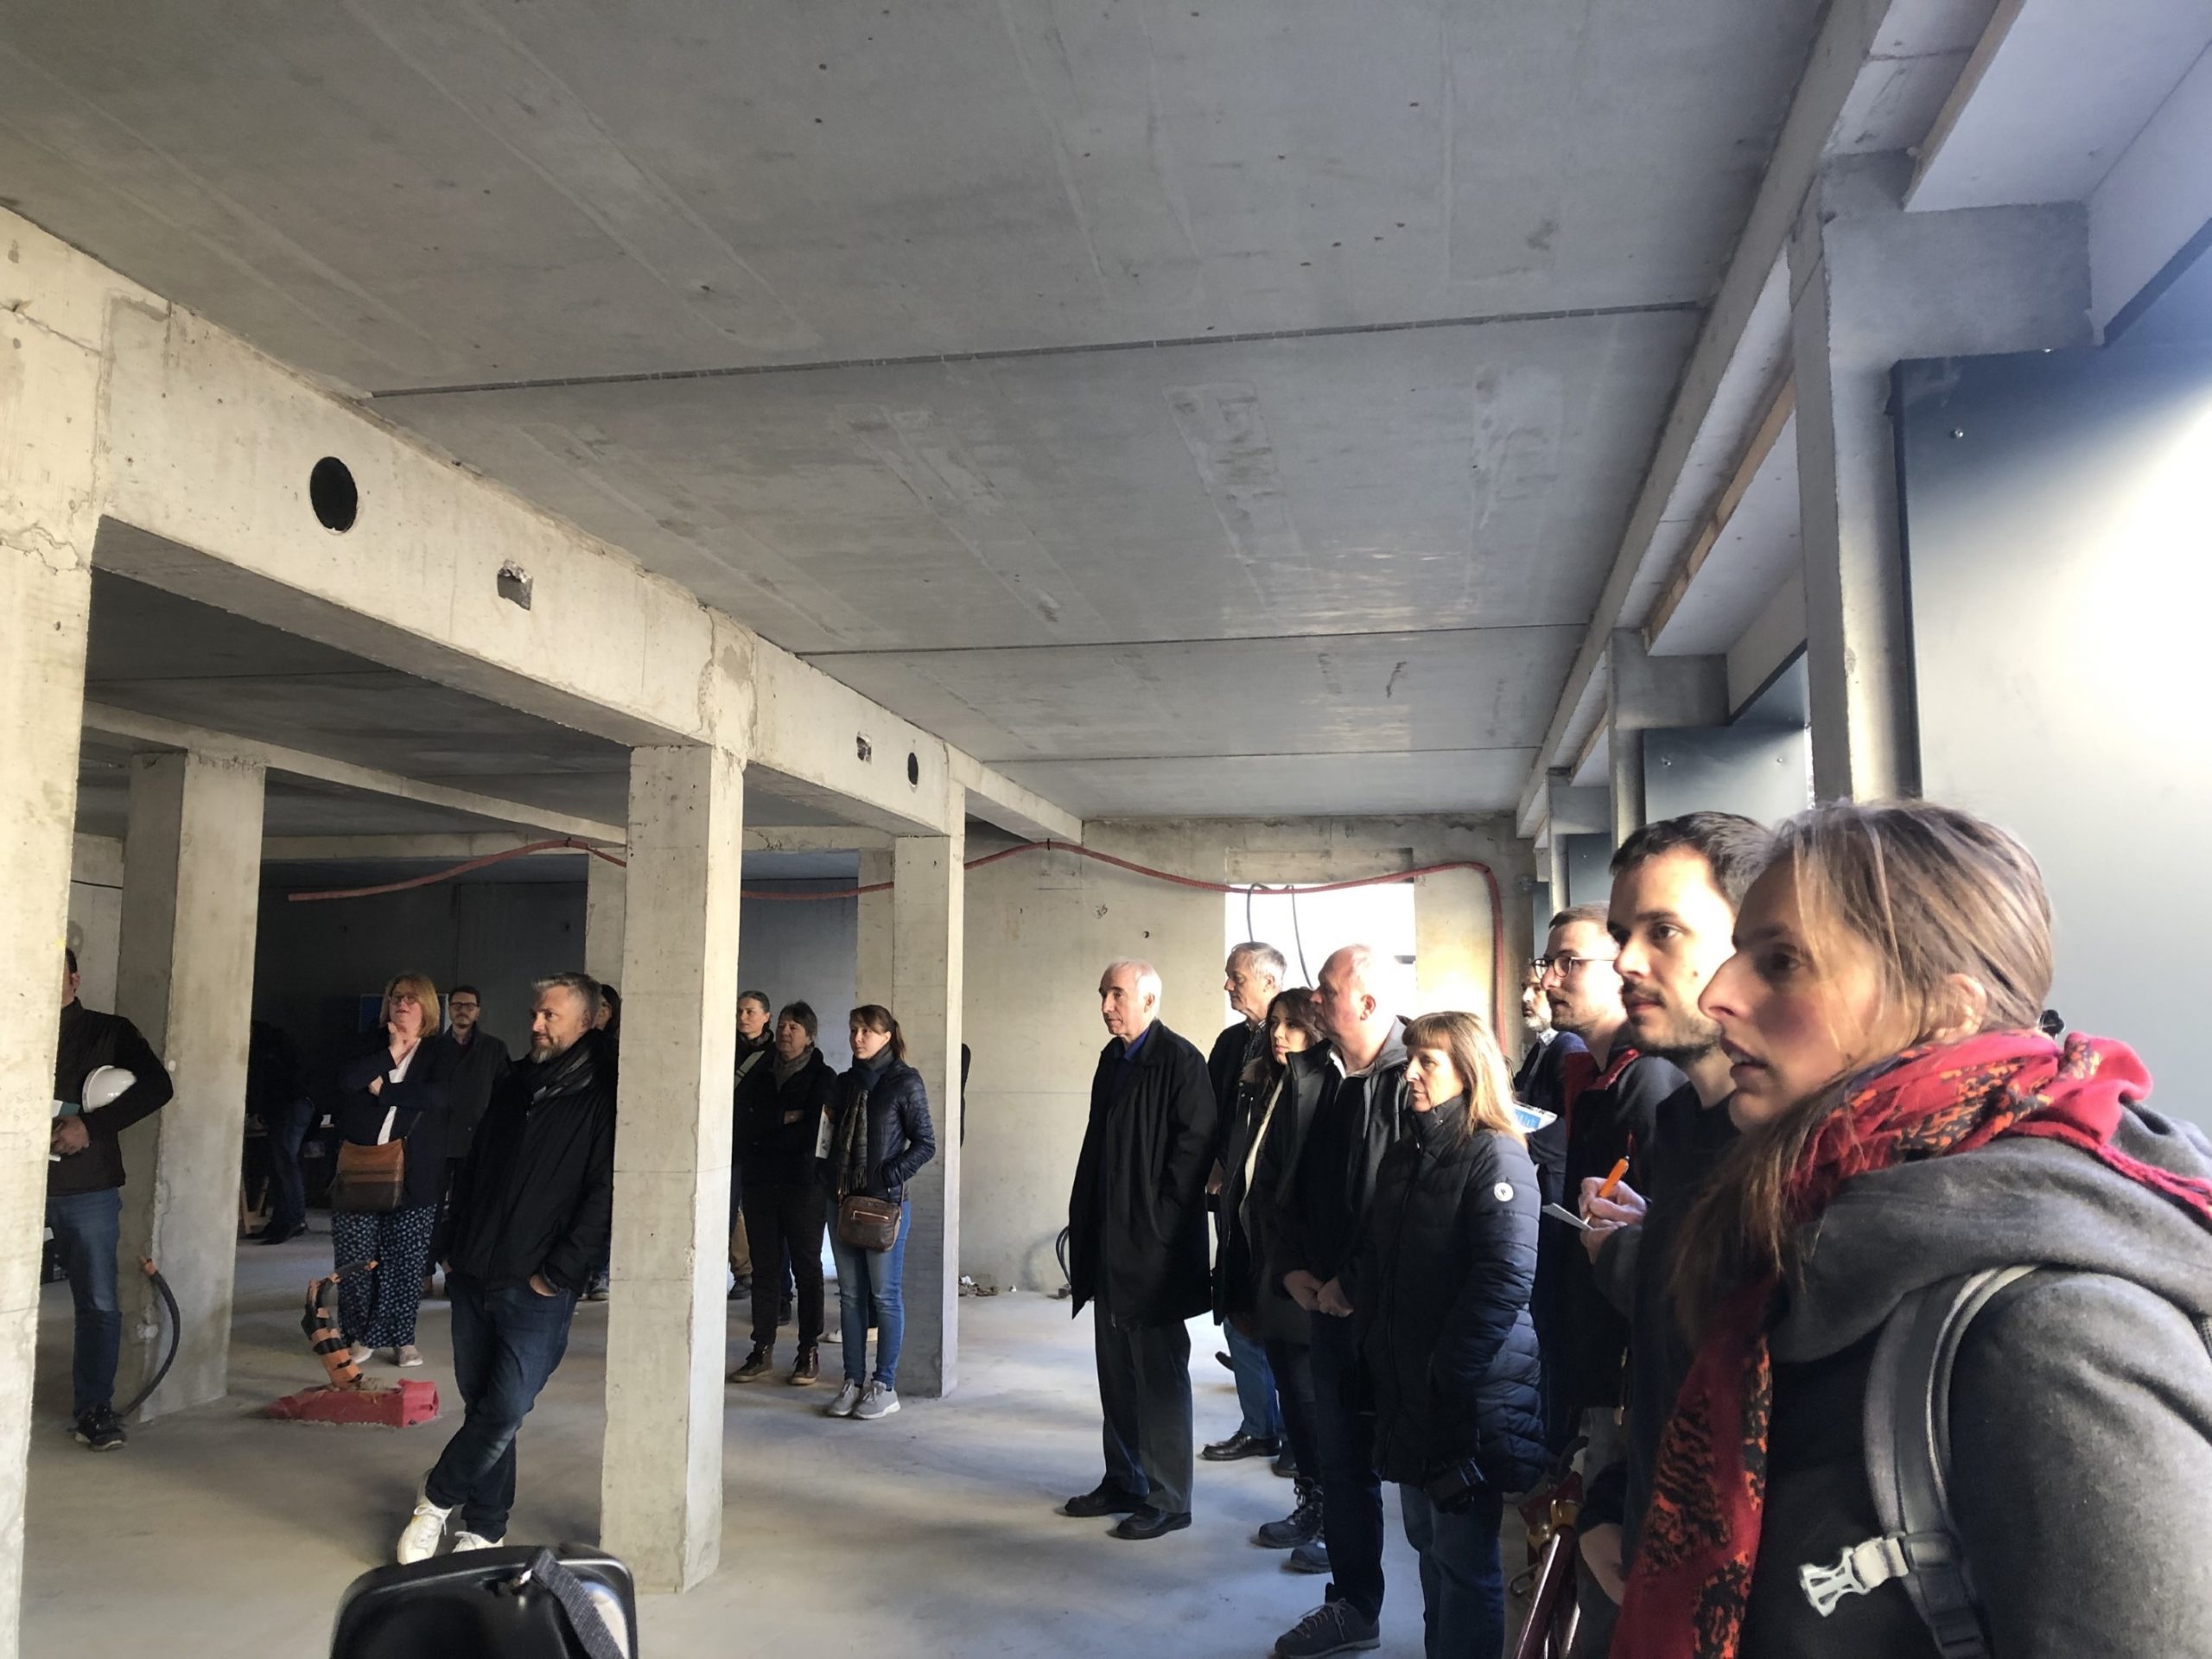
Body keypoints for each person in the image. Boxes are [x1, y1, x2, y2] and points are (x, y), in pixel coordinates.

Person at [1615, 800, 2212, 1658]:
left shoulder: (2058, 1333)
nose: (1720, 994)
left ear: (1946, 1008)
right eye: (1739, 952)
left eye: (1781, 962)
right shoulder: (1795, 1231)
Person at [1567, 812, 1770, 1650]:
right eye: (1623, 935)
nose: (1624, 960)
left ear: (1758, 942)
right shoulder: (1682, 1125)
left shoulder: (1798, 1157)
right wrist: (1612, 1504)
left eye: (1664, 930)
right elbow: (1670, 1368)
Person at [1339, 1010, 1543, 1659]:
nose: (1411, 1074)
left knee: (1464, 1560)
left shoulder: (1495, 1154)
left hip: (1462, 1398)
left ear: (1468, 1071)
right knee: (1428, 1547)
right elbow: (1383, 1262)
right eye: (1411, 1060)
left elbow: (1506, 1277)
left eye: (1428, 1062)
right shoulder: (1408, 1153)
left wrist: (1445, 1372)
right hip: (1410, 1388)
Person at [397, 972, 617, 1562]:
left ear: (585, 1022)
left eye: (550, 1016)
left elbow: (603, 1195)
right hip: (474, 1270)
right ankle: (487, 1526)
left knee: (506, 1408)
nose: (536, 1025)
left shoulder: (603, 1097)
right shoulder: (514, 1083)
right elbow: (474, 1167)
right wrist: (452, 1240)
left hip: (537, 1282)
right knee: (484, 1407)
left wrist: (560, 1272)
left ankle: (437, 1497)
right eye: (535, 1014)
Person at [1270, 944, 1410, 1657]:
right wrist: (1292, 1266)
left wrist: (1352, 1283)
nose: (1315, 999)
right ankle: (1354, 1606)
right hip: (1327, 1308)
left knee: (1422, 1485)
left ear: (1368, 1002)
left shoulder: (1419, 1075)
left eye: (1327, 990)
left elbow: (1406, 1205)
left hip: (1394, 1315)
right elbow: (1296, 1184)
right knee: (1344, 1464)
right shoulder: (1322, 1073)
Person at [1061, 960, 1217, 1541]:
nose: (1106, 1005)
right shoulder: (1113, 1059)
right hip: (1109, 1243)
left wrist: (1156, 1232)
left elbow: (1194, 1157)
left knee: (1159, 1374)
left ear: (1149, 1000)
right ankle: (1125, 1479)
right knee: (1117, 1372)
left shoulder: (1181, 1061)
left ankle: (1169, 1497)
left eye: (1117, 994)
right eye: (1103, 994)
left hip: (1153, 1251)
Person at [1528, 905, 1683, 1457]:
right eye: (1547, 963)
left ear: (1624, 970)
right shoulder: (1594, 1078)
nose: (1548, 980)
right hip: (1590, 1350)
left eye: (1569, 963)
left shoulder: (1649, 1079)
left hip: (1626, 1370)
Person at [48, 947, 174, 1451]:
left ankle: (94, 1409)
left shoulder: (110, 1031)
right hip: (14, 1182)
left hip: (86, 1186)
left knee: (98, 1301)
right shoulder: (12, 1025)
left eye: (54, 971)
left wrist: (91, 1126)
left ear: (75, 980)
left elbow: (157, 1086)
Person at [1238, 988, 1335, 1553]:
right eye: (1274, 1023)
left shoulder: (1320, 1088)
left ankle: (1330, 1518)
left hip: (1301, 1269)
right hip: (1270, 1261)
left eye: (1293, 1025)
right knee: (1295, 1402)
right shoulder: (1270, 1085)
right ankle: (1311, 1503)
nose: (1279, 1034)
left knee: (1312, 1399)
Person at [333, 973, 458, 1369]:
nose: (402, 1004)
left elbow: (439, 1096)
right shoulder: (366, 1044)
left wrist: (384, 1090)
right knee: (354, 1258)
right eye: (396, 998)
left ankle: (402, 1338)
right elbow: (346, 1081)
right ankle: (358, 1334)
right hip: (363, 1168)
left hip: (417, 1173)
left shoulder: (440, 1051)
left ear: (428, 1007)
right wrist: (390, 1054)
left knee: (405, 1262)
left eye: (411, 999)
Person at [822, 1004, 937, 1422]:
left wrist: (889, 1174)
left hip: (884, 1205)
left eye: (867, 1031)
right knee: (851, 1297)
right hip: (841, 1201)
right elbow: (826, 1136)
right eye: (853, 1030)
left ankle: (884, 1385)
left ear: (887, 1036)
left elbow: (925, 1143)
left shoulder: (905, 1082)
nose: (858, 1038)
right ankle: (852, 1381)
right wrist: (825, 1175)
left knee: (885, 1297)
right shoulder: (844, 1082)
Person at [1205, 942, 1289, 1465]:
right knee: (1237, 1307)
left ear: (1270, 982)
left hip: (1278, 1211)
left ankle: (1298, 1439)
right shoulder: (1231, 1042)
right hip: (1233, 1201)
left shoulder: (1304, 1042)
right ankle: (1259, 1427)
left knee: (1282, 1318)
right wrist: (1215, 1165)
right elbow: (1213, 1112)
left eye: (1236, 977)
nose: (1228, 985)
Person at [728, 1000, 837, 1386]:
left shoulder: (823, 1077)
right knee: (765, 1269)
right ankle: (761, 1349)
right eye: (783, 1026)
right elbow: (740, 1124)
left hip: (803, 1185)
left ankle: (808, 1350)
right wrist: (783, 1118)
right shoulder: (760, 1072)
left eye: (795, 1027)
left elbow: (814, 1135)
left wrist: (767, 1128)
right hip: (760, 1184)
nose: (786, 1032)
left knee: (806, 1270)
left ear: (810, 1036)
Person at [427, 985, 511, 1291]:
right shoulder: (432, 1047)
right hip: (435, 1140)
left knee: (467, 1210)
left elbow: (506, 1095)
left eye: (469, 1006)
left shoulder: (494, 1049)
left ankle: (457, 1271)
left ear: (478, 1010)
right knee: (428, 1209)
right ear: (449, 1009)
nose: (463, 1010)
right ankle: (425, 1270)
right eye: (457, 1005)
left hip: (476, 1140)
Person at [247, 1018, 312, 1245]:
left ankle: (293, 1220)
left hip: (289, 1107)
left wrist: (254, 1110)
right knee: (281, 1165)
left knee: (285, 1164)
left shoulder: (264, 1050)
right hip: (296, 1106)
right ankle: (283, 1221)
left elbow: (262, 1082)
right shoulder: (277, 1043)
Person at [728, 989, 775, 1301]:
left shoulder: (775, 1054)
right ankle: (744, 1271)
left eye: (750, 1012)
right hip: (727, 1140)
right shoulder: (724, 1046)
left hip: (760, 1144)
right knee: (728, 1208)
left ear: (766, 1017)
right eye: (739, 1011)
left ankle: (759, 1276)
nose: (743, 1017)